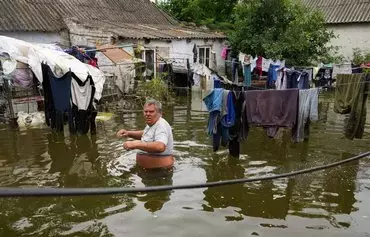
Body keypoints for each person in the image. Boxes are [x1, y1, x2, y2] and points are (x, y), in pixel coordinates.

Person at [116, 99, 174, 169]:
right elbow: (146, 134)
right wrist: (128, 133)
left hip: (159, 172)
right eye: (146, 111)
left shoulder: (161, 125)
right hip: (148, 171)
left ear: (160, 113)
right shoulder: (152, 123)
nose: (148, 114)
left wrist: (135, 144)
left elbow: (160, 146)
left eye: (151, 112)